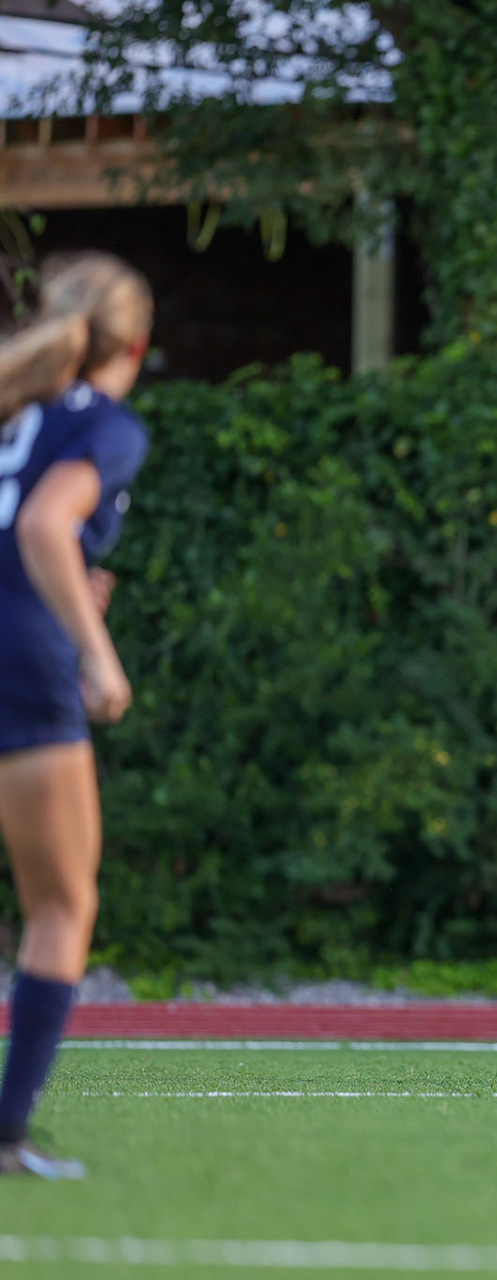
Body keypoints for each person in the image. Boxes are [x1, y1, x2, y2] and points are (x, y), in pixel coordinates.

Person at [0, 252, 155, 1178]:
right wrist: (97, 651)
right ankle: (6, 1135)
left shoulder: (13, 407)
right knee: (62, 904)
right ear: (134, 345)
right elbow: (41, 526)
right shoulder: (107, 424)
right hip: (22, 663)